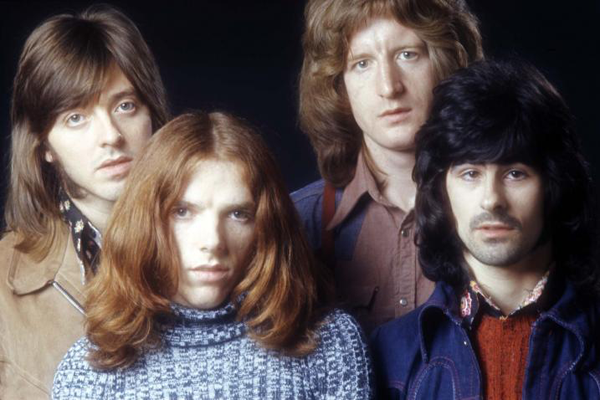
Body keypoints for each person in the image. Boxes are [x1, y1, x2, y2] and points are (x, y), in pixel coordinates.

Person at [52, 111, 373, 399]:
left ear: (265, 227)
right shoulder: (87, 372)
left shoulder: (330, 343)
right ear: (145, 223)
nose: (212, 241)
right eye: (183, 212)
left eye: (238, 214)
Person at [371, 59, 600, 399]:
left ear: (554, 186)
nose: (492, 200)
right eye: (470, 174)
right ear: (442, 191)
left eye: (515, 173)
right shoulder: (391, 356)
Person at [0, 6, 169, 397]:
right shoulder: (4, 284)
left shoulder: (220, 246)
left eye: (125, 106)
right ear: (44, 145)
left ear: (152, 114)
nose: (111, 135)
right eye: (76, 117)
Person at [291, 0, 483, 334]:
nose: (389, 87)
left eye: (407, 54)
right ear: (338, 86)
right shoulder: (295, 223)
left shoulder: (497, 209)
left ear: (445, 62)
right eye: (362, 63)